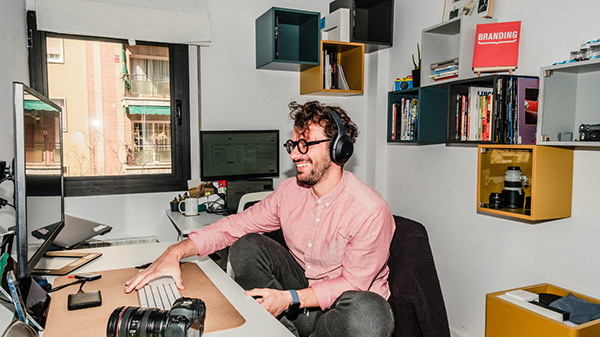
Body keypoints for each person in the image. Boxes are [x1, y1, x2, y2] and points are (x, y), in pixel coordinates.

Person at [125, 101, 396, 337]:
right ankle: (283, 331)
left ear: (339, 149)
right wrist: (177, 250)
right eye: (292, 144)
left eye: (304, 145)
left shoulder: (370, 210)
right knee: (247, 244)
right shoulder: (290, 192)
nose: (293, 155)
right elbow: (236, 226)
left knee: (370, 315)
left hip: (342, 311)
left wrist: (288, 298)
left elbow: (353, 285)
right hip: (301, 300)